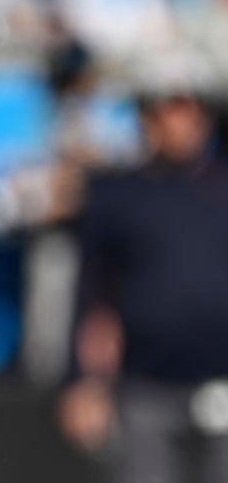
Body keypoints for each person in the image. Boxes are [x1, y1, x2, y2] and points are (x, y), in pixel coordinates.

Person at [60, 87, 228, 483]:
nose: (176, 119)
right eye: (164, 107)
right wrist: (82, 382)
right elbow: (91, 296)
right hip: (145, 386)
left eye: (186, 106)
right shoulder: (118, 196)